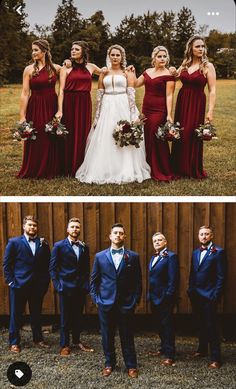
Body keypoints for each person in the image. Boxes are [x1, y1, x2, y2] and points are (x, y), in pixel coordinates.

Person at [75, 44, 151, 184]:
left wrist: (133, 113)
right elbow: (99, 95)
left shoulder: (127, 72)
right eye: (112, 55)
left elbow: (131, 93)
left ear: (122, 57)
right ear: (109, 56)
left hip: (123, 105)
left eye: (117, 55)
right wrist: (97, 117)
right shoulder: (104, 72)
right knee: (106, 136)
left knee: (124, 134)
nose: (115, 57)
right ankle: (105, 169)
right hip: (107, 106)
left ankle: (125, 168)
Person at [90, 223, 142, 378]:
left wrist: (135, 300)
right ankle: (109, 363)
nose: (118, 235)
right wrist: (97, 299)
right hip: (105, 303)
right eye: (115, 233)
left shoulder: (133, 256)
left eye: (121, 233)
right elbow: (94, 281)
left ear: (124, 236)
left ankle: (131, 365)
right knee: (107, 336)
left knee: (127, 335)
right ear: (110, 236)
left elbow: (138, 281)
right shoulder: (100, 256)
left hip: (126, 304)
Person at [56, 41, 107, 176]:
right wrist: (60, 110)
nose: (73, 51)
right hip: (69, 102)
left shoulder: (91, 67)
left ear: (83, 52)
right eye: (72, 49)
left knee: (83, 132)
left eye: (76, 49)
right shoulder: (65, 68)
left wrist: (126, 69)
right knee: (70, 132)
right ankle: (67, 166)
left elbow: (106, 72)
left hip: (84, 102)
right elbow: (61, 90)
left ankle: (82, 164)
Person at [170, 35, 216, 178]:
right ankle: (178, 167)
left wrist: (210, 111)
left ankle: (191, 168)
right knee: (181, 132)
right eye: (197, 46)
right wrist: (172, 70)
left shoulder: (208, 66)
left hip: (197, 102)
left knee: (191, 132)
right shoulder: (185, 64)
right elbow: (174, 76)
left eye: (202, 46)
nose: (201, 49)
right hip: (183, 101)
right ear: (190, 48)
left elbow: (212, 90)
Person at [3, 215, 50, 352]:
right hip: (19, 285)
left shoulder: (43, 243)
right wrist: (11, 282)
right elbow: (7, 265)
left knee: (36, 313)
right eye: (29, 225)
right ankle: (14, 342)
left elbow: (47, 264)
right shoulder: (14, 242)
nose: (32, 227)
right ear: (24, 226)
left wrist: (45, 282)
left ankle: (38, 339)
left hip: (37, 286)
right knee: (16, 314)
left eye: (34, 225)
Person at [17, 39, 62, 178]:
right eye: (32, 50)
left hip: (51, 104)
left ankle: (50, 168)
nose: (33, 53)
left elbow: (63, 89)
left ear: (44, 51)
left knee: (49, 135)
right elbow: (25, 93)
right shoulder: (28, 69)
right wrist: (22, 116)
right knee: (36, 135)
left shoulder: (56, 68)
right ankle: (33, 167)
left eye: (36, 50)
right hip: (35, 104)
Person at [49, 217, 93, 356]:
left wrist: (86, 285)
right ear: (68, 229)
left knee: (78, 316)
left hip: (80, 288)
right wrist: (58, 285)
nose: (75, 229)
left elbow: (86, 268)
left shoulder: (84, 247)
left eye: (77, 227)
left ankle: (76, 340)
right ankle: (64, 344)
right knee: (65, 318)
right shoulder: (59, 246)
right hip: (65, 287)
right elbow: (53, 268)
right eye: (72, 226)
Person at [135, 46, 176, 181]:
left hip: (159, 110)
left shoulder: (169, 75)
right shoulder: (147, 71)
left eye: (165, 56)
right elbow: (135, 84)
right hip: (146, 109)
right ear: (154, 58)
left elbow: (169, 95)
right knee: (146, 136)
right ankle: (147, 167)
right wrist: (130, 72)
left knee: (156, 136)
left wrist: (169, 114)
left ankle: (160, 169)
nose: (162, 59)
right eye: (160, 56)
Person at [187, 225, 226, 368]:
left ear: (211, 236)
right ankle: (202, 350)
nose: (203, 236)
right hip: (196, 295)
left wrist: (215, 295)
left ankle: (216, 358)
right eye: (201, 234)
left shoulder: (218, 252)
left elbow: (221, 277)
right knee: (201, 324)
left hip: (209, 296)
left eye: (206, 234)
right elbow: (193, 273)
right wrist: (190, 289)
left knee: (212, 326)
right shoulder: (195, 252)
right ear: (198, 236)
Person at [148, 232, 179, 365]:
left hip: (165, 299)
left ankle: (170, 354)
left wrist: (168, 296)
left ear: (165, 242)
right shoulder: (154, 257)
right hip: (154, 298)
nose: (157, 242)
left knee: (167, 326)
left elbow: (173, 280)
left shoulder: (171, 257)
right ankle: (162, 348)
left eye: (160, 240)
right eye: (155, 241)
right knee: (159, 325)